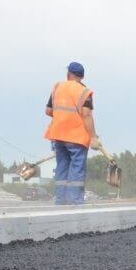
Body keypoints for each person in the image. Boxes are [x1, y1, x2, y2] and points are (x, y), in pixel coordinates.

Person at [44, 61, 98, 205]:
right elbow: (86, 115)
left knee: (62, 167)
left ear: (69, 74)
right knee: (77, 168)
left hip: (58, 135)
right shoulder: (85, 92)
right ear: (82, 76)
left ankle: (60, 201)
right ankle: (75, 202)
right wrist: (93, 137)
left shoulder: (57, 87)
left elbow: (48, 111)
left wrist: (62, 116)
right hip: (76, 137)